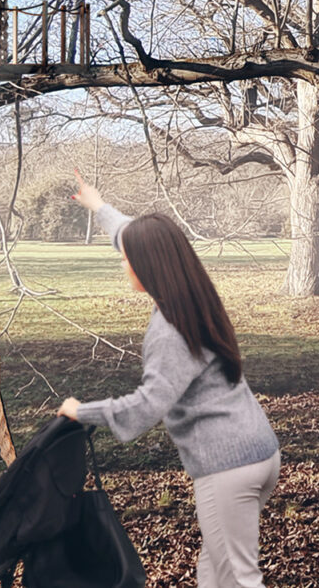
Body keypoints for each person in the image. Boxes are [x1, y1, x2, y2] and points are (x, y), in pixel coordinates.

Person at [61, 175, 280, 588]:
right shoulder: (195, 296)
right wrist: (99, 206)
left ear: (149, 265)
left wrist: (80, 411)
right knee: (214, 574)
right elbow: (133, 233)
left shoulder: (169, 329)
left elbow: (148, 405)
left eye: (127, 259)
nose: (122, 263)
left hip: (228, 468)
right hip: (258, 453)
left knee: (237, 580)